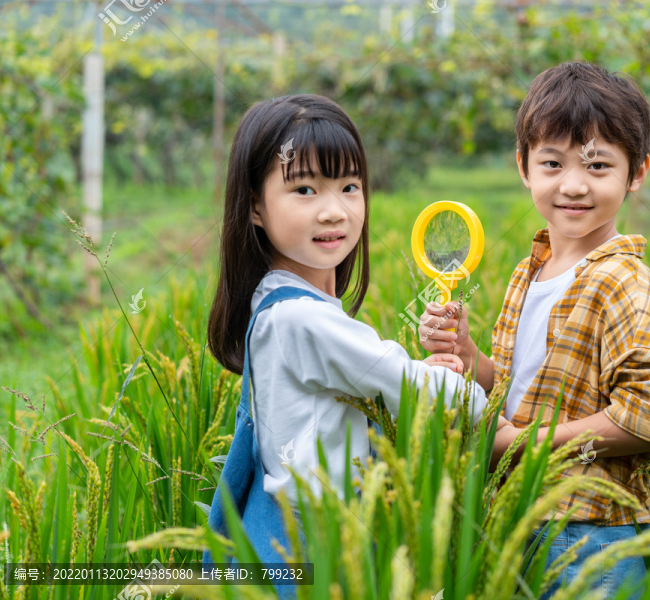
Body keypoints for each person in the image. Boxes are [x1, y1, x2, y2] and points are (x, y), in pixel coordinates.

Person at [419, 62, 650, 600]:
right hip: (522, 516)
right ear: (523, 166)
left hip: (591, 536)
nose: (572, 185)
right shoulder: (532, 271)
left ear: (636, 173)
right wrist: (472, 359)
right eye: (551, 163)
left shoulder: (622, 283)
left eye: (597, 165)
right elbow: (524, 392)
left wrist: (519, 445)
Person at [203, 94, 489, 598]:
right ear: (254, 207)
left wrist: (434, 370)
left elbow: (373, 386)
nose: (333, 211)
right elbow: (411, 388)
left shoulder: (275, 306)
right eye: (305, 189)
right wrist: (465, 391)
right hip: (324, 550)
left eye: (349, 187)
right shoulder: (303, 320)